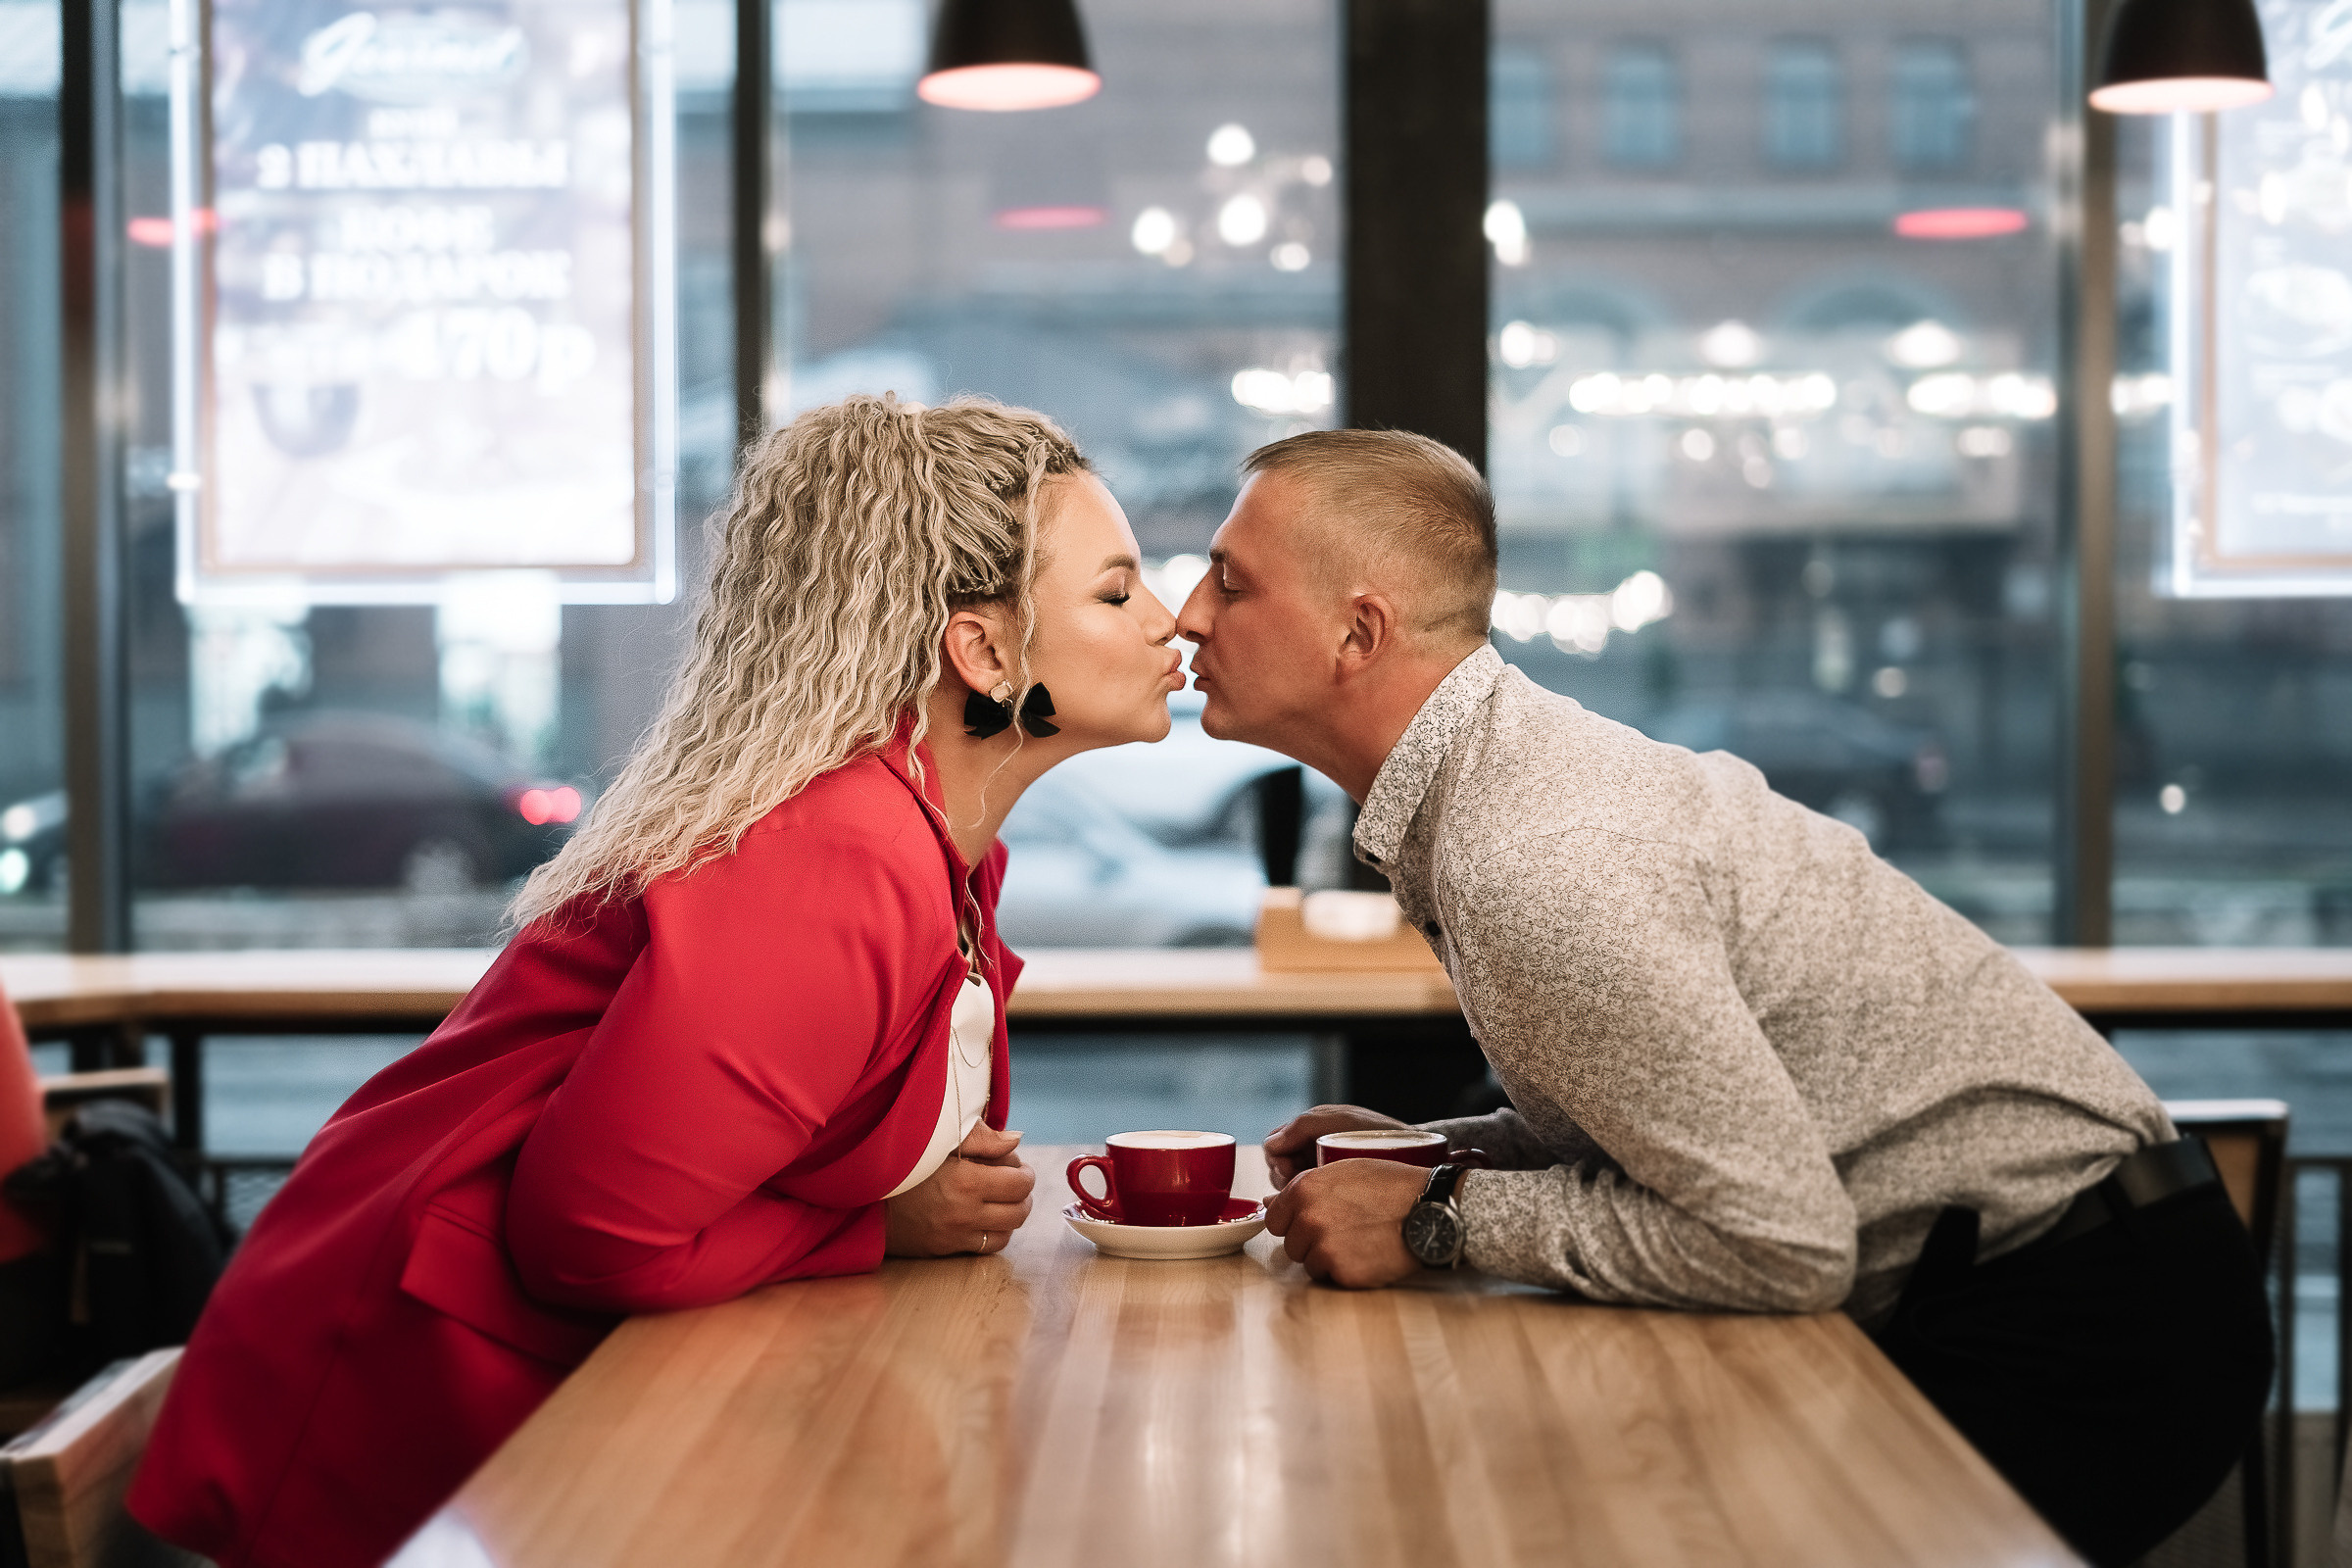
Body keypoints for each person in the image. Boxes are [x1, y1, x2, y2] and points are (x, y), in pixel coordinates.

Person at [1181, 426, 2272, 1568]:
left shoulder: (1537, 856)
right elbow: (1657, 1124)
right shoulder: (1498, 788)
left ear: (1360, 631)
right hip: (2044, 1274)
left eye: (1230, 581)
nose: (1189, 616)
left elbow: (1780, 1244)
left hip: (2089, 1318)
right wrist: (1428, 1151)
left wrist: (1430, 1215)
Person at [128, 395, 1183, 1568]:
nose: (1169, 621)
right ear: (982, 651)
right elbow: (589, 1238)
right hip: (377, 1437)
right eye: (1117, 591)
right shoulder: (847, 846)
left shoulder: (929, 838)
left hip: (507, 1399)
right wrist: (874, 1234)